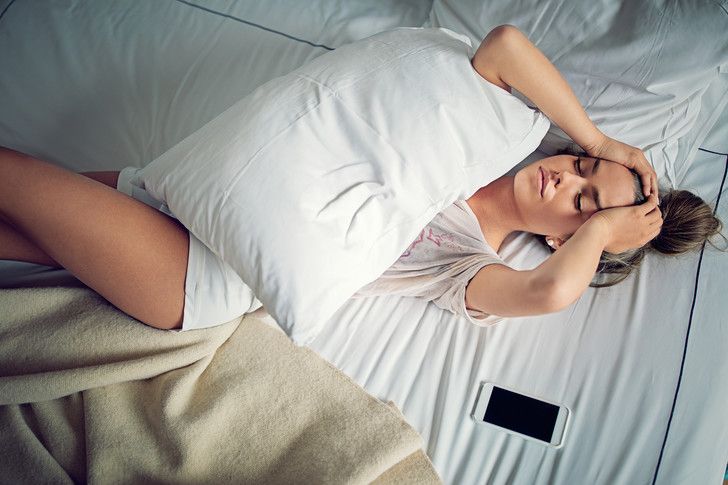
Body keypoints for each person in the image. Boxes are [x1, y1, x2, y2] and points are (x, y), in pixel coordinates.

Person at [0, 25, 722, 331]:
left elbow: (548, 293)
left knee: (14, 177)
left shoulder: (467, 267)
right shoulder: (479, 128)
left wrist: (607, 229)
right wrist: (601, 139)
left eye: (582, 205)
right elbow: (504, 46)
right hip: (185, 184)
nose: (565, 179)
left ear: (572, 240)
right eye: (580, 169)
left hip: (198, 271)